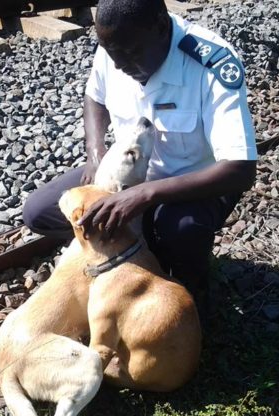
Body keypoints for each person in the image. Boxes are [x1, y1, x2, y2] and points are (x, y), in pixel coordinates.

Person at [22, 0, 257, 296]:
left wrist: (145, 195)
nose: (119, 65)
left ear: (161, 27)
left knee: (180, 229)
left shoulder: (209, 64)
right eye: (113, 55)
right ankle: (130, 257)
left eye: (130, 56)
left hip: (193, 183)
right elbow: (95, 97)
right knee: (39, 212)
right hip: (132, 173)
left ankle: (192, 293)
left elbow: (241, 170)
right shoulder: (119, 42)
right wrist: (95, 155)